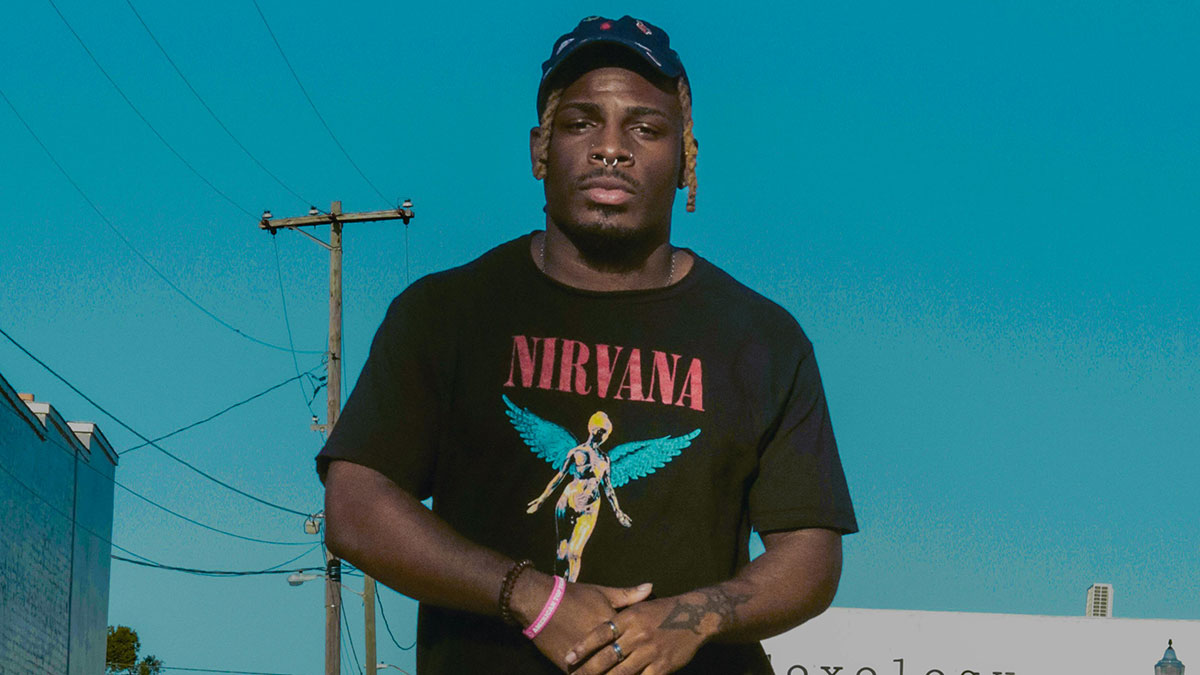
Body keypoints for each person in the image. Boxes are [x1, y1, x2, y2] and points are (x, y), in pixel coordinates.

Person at [318, 15, 857, 674]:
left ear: (687, 159)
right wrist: (530, 596)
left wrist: (690, 617)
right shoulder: (447, 314)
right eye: (581, 123)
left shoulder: (762, 340)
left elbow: (810, 552)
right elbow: (355, 501)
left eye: (645, 127)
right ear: (539, 149)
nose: (611, 148)